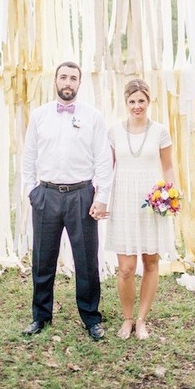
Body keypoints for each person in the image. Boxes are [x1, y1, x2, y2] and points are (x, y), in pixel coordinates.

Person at [21, 61, 113, 341]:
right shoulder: (39, 115)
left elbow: (103, 159)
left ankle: (91, 318)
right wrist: (32, 191)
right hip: (46, 195)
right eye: (63, 77)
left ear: (79, 83)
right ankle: (40, 316)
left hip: (82, 195)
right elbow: (28, 155)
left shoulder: (93, 117)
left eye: (73, 78)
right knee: (42, 259)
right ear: (55, 81)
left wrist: (101, 197)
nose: (68, 82)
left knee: (86, 261)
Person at [105, 78, 178, 340]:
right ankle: (127, 319)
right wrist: (100, 198)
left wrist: (171, 194)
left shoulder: (160, 131)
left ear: (149, 101)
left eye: (141, 101)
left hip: (151, 203)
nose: (137, 106)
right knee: (126, 267)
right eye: (132, 101)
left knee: (151, 261)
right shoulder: (114, 132)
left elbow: (167, 167)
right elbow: (108, 169)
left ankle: (141, 319)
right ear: (126, 103)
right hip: (123, 202)